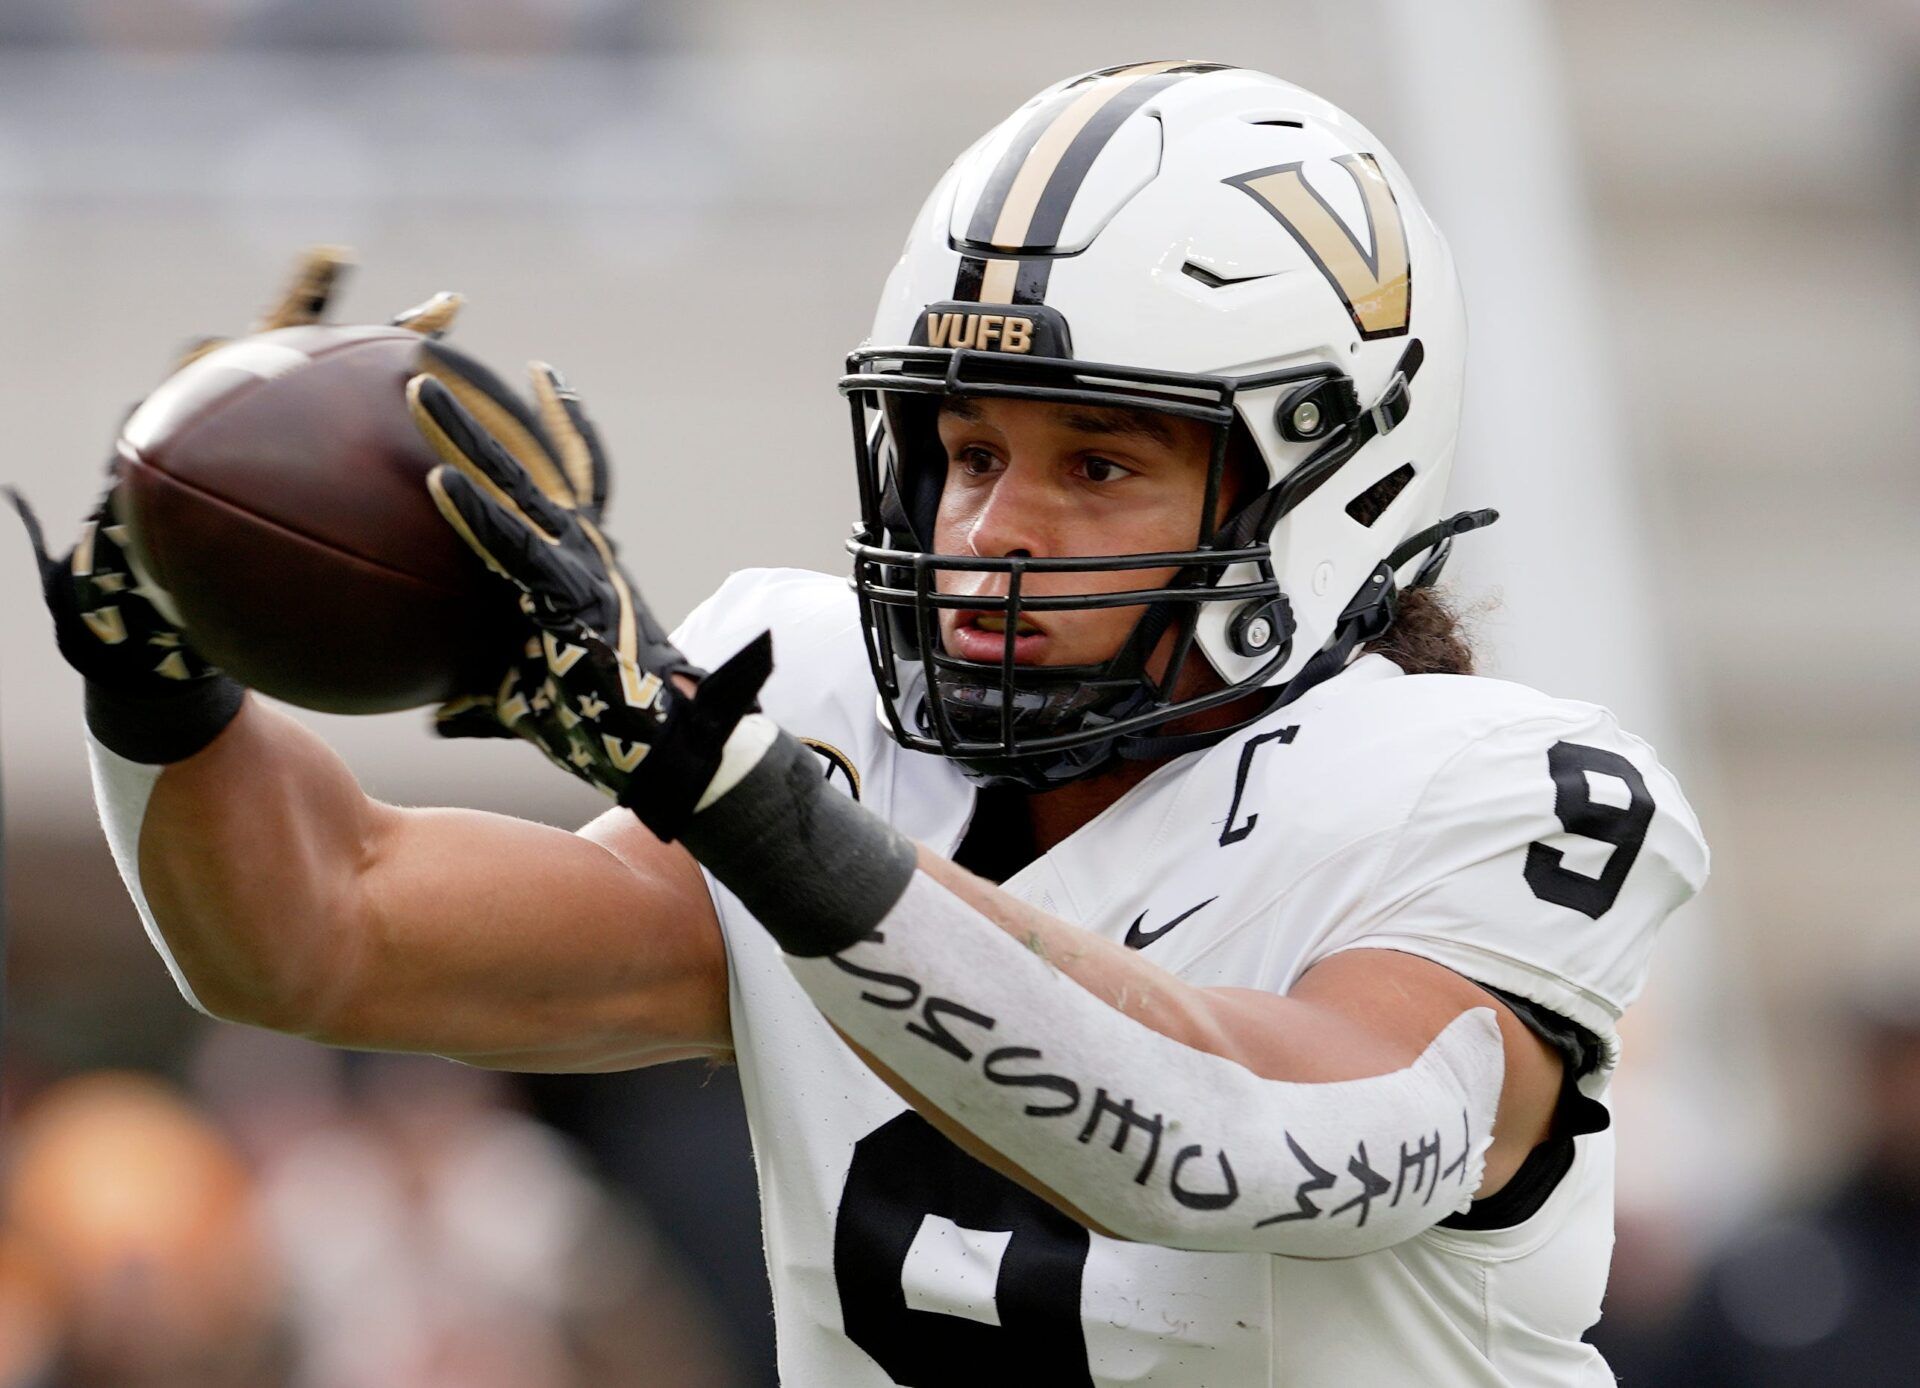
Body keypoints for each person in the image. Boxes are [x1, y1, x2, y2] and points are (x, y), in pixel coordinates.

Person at [19, 63, 1708, 1387]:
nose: (991, 531)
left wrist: (741, 794)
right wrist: (164, 676)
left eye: (1096, 464)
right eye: (968, 452)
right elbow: (324, 935)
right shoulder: (833, 712)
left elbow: (1233, 1145)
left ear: (1327, 477)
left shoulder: (1492, 794)